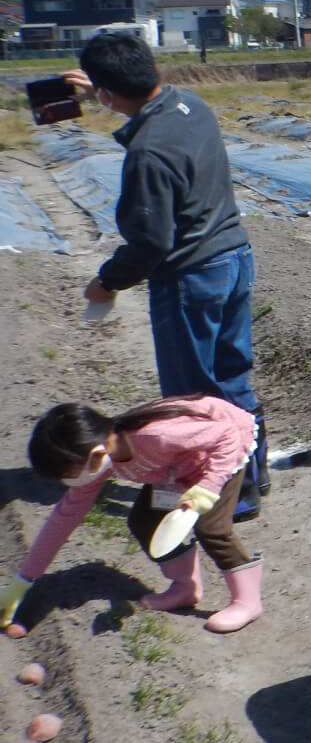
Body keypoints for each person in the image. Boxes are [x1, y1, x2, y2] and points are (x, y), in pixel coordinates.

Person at [63, 31, 268, 518]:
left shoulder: (147, 152)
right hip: (233, 258)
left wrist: (107, 281)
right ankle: (253, 474)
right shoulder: (190, 104)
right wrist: (103, 92)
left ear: (109, 93)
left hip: (192, 276)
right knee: (231, 377)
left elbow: (151, 242)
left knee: (194, 399)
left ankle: (224, 499)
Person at [0, 396, 262, 634]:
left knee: (211, 527)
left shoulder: (156, 436)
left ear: (95, 456)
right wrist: (24, 580)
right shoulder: (102, 460)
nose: (65, 485)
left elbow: (226, 435)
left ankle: (247, 601)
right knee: (144, 521)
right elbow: (63, 519)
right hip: (176, 469)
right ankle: (186, 587)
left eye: (66, 477)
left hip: (221, 453)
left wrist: (207, 487)